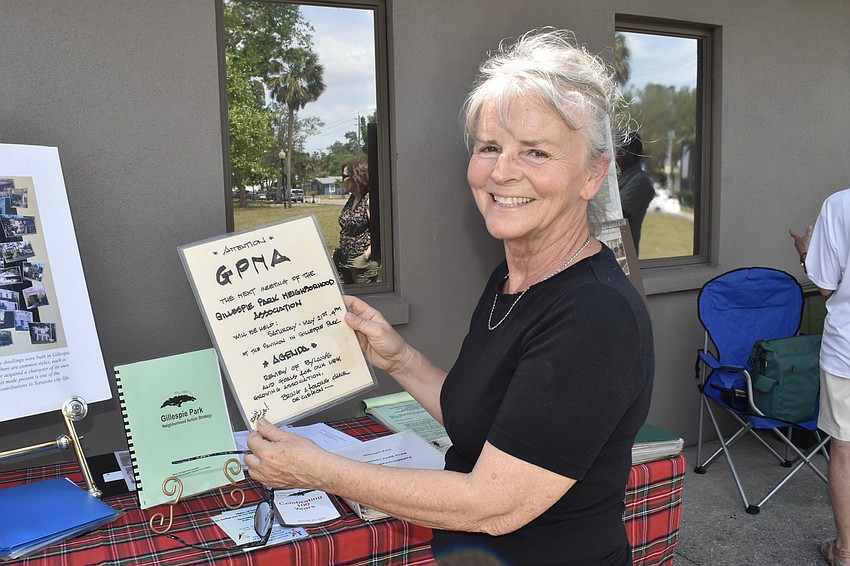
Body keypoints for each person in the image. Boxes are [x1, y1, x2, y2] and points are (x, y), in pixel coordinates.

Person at [246, 29, 654, 566]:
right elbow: (485, 419)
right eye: (489, 147)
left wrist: (318, 469)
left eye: (536, 151)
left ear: (593, 174)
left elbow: (494, 505)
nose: (502, 172)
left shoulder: (595, 315)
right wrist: (401, 360)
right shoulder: (510, 280)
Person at [791, 191, 850, 566]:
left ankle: (846, 550)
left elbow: (826, 286)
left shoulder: (841, 205)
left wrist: (806, 252)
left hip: (848, 350)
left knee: (845, 450)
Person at [334, 159, 380, 284]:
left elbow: (379, 233)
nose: (342, 180)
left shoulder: (369, 200)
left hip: (361, 264)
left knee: (364, 296)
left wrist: (365, 256)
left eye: (345, 176)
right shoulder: (352, 198)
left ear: (357, 177)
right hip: (344, 260)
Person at [615, 131, 655, 254]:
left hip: (623, 251)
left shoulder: (640, 181)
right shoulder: (619, 176)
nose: (615, 154)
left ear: (631, 152)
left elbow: (618, 213)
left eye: (619, 149)